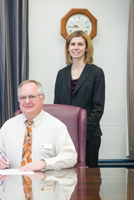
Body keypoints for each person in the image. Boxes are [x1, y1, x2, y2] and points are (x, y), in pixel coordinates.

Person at [0, 80, 77, 171]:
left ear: (42, 99)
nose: (27, 101)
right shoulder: (8, 125)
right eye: (23, 97)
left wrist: (45, 163)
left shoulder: (56, 126)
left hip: (46, 181)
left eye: (32, 96)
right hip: (13, 182)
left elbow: (70, 156)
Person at [54, 30, 105, 168]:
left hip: (89, 136)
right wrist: (65, 132)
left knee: (89, 183)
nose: (76, 47)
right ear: (68, 48)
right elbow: (57, 107)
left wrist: (80, 131)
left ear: (87, 48)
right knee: (65, 180)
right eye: (72, 44)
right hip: (64, 137)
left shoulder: (96, 73)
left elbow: (98, 108)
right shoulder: (61, 74)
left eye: (80, 44)